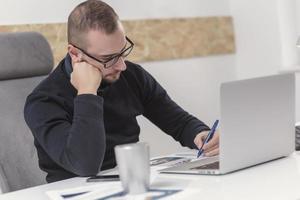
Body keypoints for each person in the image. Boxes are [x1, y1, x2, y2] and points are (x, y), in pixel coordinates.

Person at [24, 0, 219, 183]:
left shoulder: (131, 75)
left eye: (123, 51)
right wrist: (87, 92)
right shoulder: (43, 102)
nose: (122, 65)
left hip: (130, 180)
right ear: (75, 54)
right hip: (78, 189)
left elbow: (179, 122)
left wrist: (201, 135)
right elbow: (85, 164)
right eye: (109, 58)